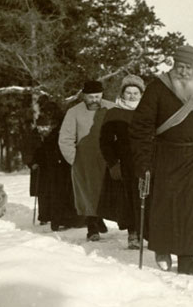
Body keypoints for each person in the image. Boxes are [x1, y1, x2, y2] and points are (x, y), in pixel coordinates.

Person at [129, 44, 193, 275]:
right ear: (173, 65)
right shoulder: (157, 88)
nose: (184, 72)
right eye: (180, 66)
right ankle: (163, 248)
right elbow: (141, 127)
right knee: (169, 208)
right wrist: (143, 161)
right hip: (167, 156)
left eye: (190, 68)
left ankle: (188, 259)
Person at [98, 75, 146, 249]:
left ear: (142, 94)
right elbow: (105, 142)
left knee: (148, 197)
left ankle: (148, 232)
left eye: (136, 93)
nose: (132, 96)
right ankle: (133, 234)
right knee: (128, 200)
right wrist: (113, 163)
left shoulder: (148, 112)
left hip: (147, 161)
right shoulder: (114, 113)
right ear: (122, 94)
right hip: (125, 164)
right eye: (128, 92)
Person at [59, 80, 111, 241]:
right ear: (84, 96)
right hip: (84, 159)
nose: (95, 100)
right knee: (88, 192)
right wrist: (74, 160)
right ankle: (92, 227)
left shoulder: (112, 108)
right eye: (91, 97)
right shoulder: (74, 112)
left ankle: (100, 216)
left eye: (98, 96)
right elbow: (65, 138)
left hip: (108, 157)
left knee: (107, 191)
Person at [31, 114, 81, 231]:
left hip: (61, 170)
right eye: (40, 127)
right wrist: (35, 161)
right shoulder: (40, 137)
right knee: (49, 194)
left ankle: (64, 220)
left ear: (51, 126)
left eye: (45, 127)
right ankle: (52, 218)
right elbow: (38, 152)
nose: (42, 130)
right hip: (47, 171)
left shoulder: (57, 136)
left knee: (61, 194)